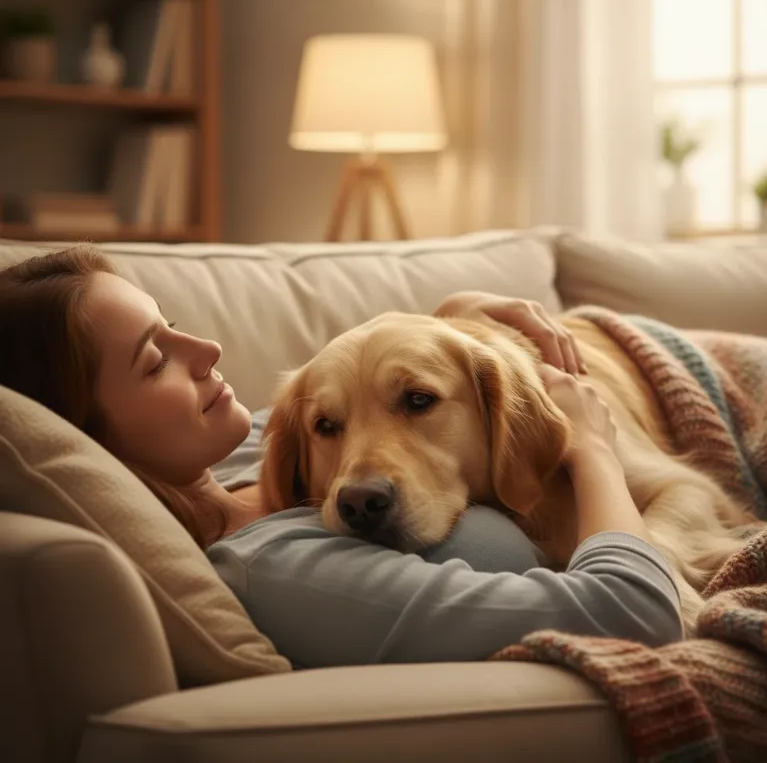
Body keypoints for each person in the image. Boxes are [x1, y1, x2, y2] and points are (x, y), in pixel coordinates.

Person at [0, 246, 683, 669]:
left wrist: (460, 314)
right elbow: (633, 611)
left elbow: (387, 382)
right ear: (94, 438)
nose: (207, 351)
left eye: (175, 325)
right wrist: (591, 448)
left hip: (667, 363)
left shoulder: (257, 449)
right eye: (156, 360)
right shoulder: (278, 573)